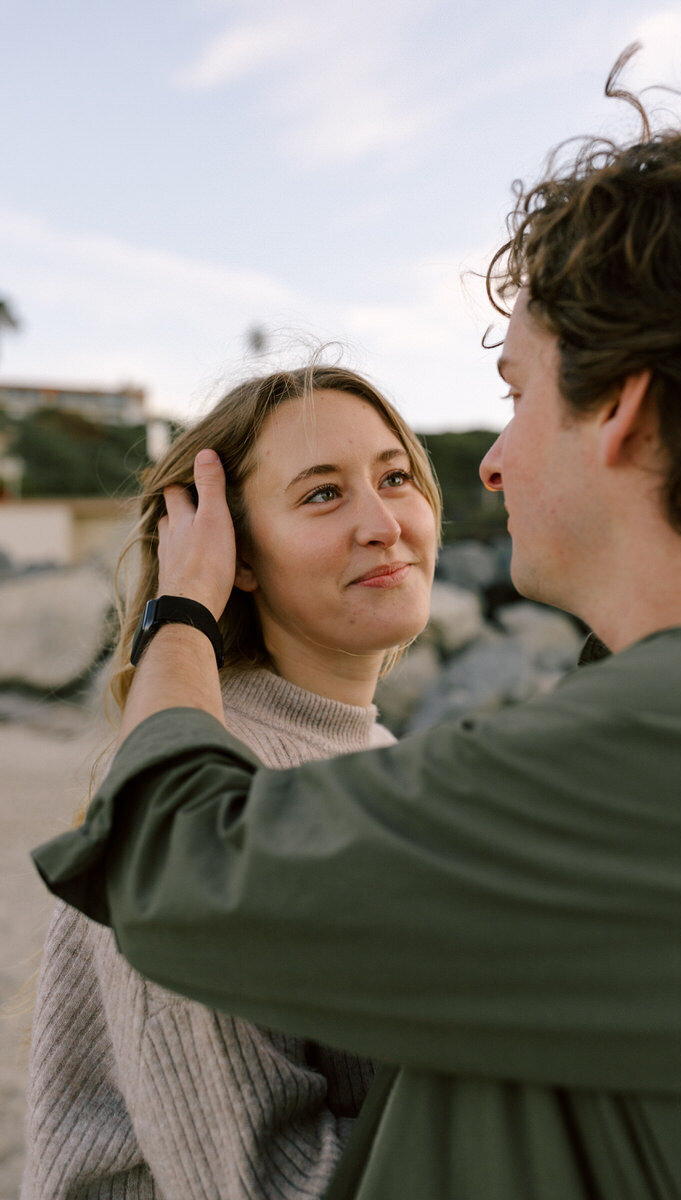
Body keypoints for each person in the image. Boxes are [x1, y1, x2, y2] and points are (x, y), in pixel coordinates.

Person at [31, 70, 681, 1200]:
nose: (480, 467)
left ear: (620, 409)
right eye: (321, 494)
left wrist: (175, 624)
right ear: (232, 547)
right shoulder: (670, 715)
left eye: (514, 392)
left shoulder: (664, 741)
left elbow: (173, 864)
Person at [21, 365, 441, 1200]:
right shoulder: (195, 777)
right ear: (235, 558)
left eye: (395, 478)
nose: (383, 523)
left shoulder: (380, 751)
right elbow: (256, 1183)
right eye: (323, 495)